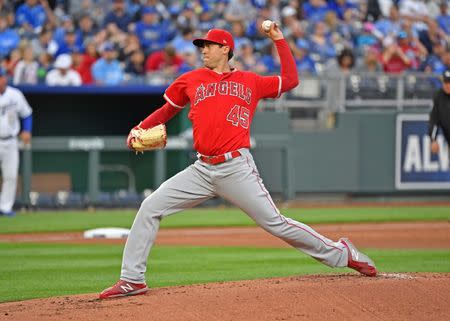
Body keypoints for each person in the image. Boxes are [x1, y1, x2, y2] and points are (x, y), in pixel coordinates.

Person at [99, 25, 377, 299]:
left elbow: (291, 80)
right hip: (201, 169)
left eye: (208, 45)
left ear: (225, 49)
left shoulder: (250, 81)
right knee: (150, 207)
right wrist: (139, 127)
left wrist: (279, 40)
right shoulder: (191, 79)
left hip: (236, 168)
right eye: (201, 46)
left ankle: (342, 252)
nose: (203, 50)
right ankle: (132, 279)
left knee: (275, 223)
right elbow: (167, 110)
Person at [0, 67, 33, 216]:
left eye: (1, 77)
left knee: (11, 176)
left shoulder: (15, 94)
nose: (1, 80)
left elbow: (27, 113)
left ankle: (5, 207)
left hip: (11, 140)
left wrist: (26, 130)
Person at [429, 69, 450, 155]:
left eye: (449, 83)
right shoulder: (439, 96)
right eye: (445, 82)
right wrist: (433, 139)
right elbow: (434, 120)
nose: (448, 85)